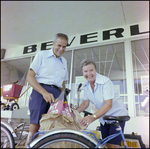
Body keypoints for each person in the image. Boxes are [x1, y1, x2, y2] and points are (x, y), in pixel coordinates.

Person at [25, 33, 69, 147]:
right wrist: (44, 92)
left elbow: (62, 83)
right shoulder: (42, 55)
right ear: (53, 43)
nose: (61, 49)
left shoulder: (64, 61)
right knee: (35, 127)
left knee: (51, 129)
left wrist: (64, 99)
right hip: (40, 92)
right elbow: (30, 77)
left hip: (56, 96)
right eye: (59, 45)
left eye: (64, 47)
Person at [77, 58, 128, 148]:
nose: (88, 74)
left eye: (91, 70)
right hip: (104, 118)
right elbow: (85, 103)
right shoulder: (86, 85)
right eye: (85, 71)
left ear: (95, 70)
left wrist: (92, 117)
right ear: (82, 72)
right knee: (106, 145)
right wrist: (74, 113)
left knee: (113, 146)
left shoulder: (105, 82)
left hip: (117, 115)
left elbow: (108, 104)